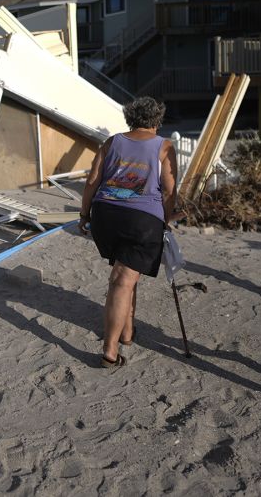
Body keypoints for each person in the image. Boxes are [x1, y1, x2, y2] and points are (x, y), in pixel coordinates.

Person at [79, 96, 177, 368]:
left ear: (130, 118)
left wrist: (84, 214)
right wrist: (167, 220)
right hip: (142, 220)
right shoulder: (163, 146)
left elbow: (91, 181)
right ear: (157, 120)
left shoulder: (112, 142)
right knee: (122, 278)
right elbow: (169, 190)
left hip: (106, 217)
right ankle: (110, 350)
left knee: (126, 269)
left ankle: (127, 332)